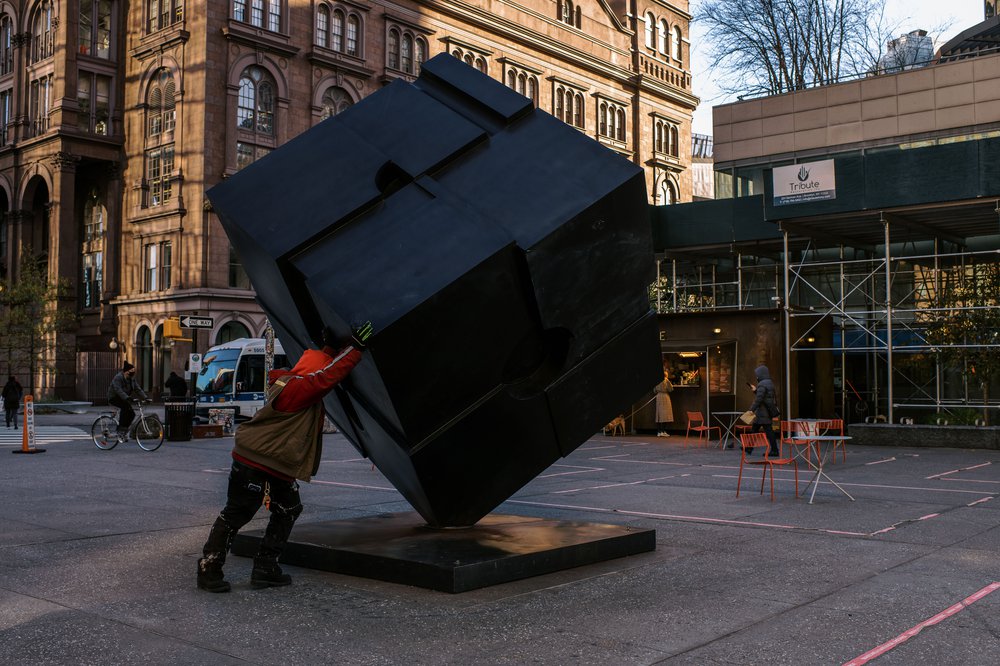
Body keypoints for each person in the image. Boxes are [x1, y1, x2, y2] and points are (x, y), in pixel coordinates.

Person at [197, 321, 373, 593]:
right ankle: (209, 568)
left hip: (273, 463)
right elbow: (325, 377)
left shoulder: (294, 382)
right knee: (238, 512)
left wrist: (331, 347)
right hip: (256, 460)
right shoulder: (295, 389)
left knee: (288, 508)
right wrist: (354, 350)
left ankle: (265, 568)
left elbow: (320, 369)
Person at [107, 361, 147, 440]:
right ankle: (119, 430)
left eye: (133, 372)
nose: (132, 373)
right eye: (130, 372)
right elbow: (118, 390)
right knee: (125, 408)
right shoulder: (118, 377)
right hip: (114, 397)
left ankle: (124, 430)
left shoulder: (132, 379)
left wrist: (145, 397)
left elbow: (137, 389)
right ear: (125, 371)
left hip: (124, 398)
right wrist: (127, 398)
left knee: (132, 414)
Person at [747, 364, 780, 457]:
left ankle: (774, 450)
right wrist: (755, 390)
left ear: (761, 374)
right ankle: (749, 447)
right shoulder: (769, 382)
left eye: (757, 374)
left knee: (767, 431)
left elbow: (759, 399)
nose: (757, 376)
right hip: (765, 411)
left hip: (762, 412)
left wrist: (751, 410)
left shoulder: (762, 384)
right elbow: (765, 396)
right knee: (756, 429)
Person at [654, 362, 674, 437]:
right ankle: (663, 431)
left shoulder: (656, 380)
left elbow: (654, 390)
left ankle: (659, 432)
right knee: (665, 415)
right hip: (665, 397)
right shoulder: (666, 380)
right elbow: (671, 389)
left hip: (658, 396)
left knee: (659, 415)